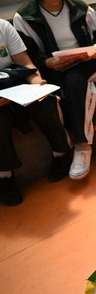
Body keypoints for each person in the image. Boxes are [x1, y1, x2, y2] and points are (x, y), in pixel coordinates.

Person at [13, 0, 96, 181]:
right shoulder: (24, 17)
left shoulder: (81, 9)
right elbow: (29, 54)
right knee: (85, 89)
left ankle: (82, 147)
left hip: (93, 66)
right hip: (56, 70)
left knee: (76, 80)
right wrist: (46, 63)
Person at [0, 19, 73, 206]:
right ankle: (5, 177)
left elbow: (25, 64)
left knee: (45, 101)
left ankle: (61, 153)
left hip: (14, 87)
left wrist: (37, 83)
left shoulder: (3, 27)